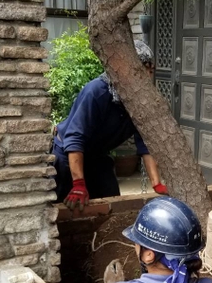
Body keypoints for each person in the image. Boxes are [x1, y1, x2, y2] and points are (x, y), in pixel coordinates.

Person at [52, 40, 168, 211]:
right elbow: (75, 138)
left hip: (98, 156)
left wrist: (156, 183)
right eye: (143, 70)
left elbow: (146, 144)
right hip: (68, 154)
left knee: (112, 204)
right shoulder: (96, 92)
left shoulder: (140, 103)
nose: (148, 77)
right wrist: (78, 184)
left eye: (151, 71)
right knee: (66, 208)